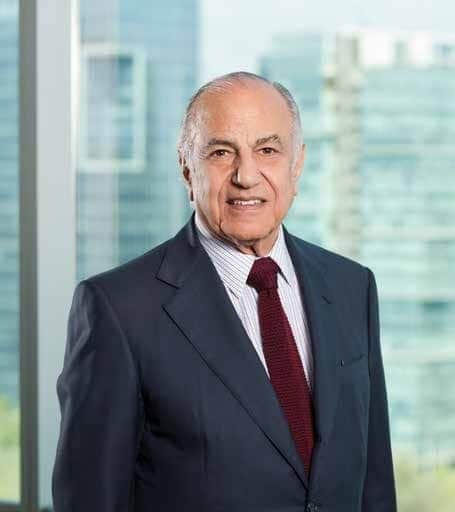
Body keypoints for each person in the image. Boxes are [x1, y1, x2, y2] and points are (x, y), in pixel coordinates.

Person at [52, 71, 397, 512]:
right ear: (186, 167)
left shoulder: (352, 287)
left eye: (268, 150)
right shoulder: (118, 310)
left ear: (297, 164)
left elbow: (374, 486)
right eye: (220, 152)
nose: (246, 176)